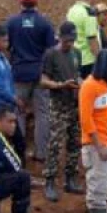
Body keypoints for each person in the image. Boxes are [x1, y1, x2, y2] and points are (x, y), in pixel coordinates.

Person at [5, 0, 55, 164]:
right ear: (36, 2)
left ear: (20, 2)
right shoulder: (44, 23)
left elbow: (6, 47)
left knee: (18, 113)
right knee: (42, 113)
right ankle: (41, 153)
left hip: (19, 73)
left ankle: (18, 151)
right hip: (40, 74)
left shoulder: (11, 22)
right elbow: (51, 50)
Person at [40, 21, 83, 202]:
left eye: (72, 40)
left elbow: (78, 73)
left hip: (74, 104)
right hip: (58, 105)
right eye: (67, 40)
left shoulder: (76, 53)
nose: (69, 44)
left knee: (75, 141)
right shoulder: (51, 54)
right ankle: (49, 180)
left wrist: (79, 84)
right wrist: (60, 85)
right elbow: (43, 80)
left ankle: (70, 178)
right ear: (60, 37)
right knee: (55, 144)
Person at [79, 48, 107, 213]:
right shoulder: (90, 86)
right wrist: (99, 145)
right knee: (98, 185)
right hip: (98, 145)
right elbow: (86, 119)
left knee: (106, 183)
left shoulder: (105, 86)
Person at [66, 0, 102, 78]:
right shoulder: (89, 12)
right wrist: (100, 59)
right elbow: (92, 39)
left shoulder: (72, 10)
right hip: (88, 61)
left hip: (74, 59)